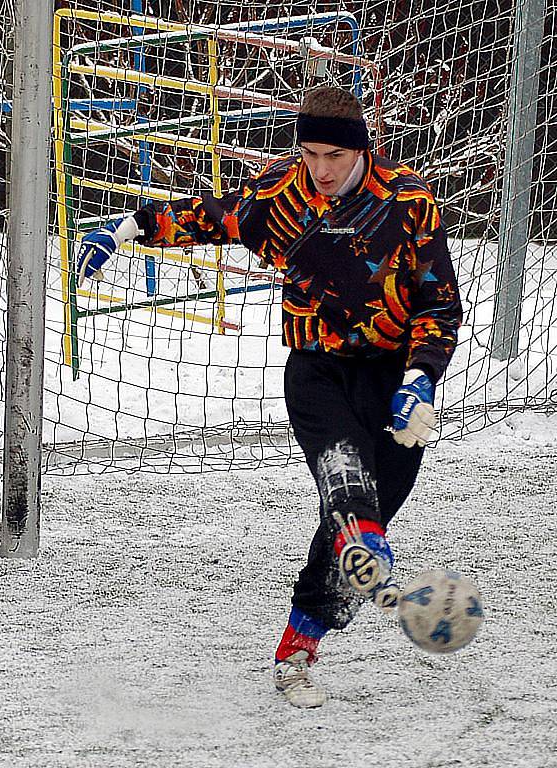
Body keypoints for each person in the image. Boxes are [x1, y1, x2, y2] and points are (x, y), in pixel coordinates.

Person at [77, 85, 462, 709]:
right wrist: (124, 229)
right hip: (317, 373)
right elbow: (210, 216)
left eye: (335, 155)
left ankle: (300, 639)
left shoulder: (409, 202)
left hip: (393, 379)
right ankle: (353, 583)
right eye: (310, 154)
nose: (322, 169)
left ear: (361, 150)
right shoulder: (284, 200)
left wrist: (421, 376)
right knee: (349, 496)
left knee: (354, 532)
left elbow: (438, 300)